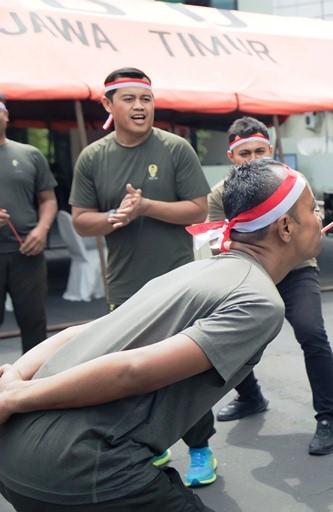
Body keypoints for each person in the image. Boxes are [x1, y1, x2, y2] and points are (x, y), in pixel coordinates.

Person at [0, 160, 323, 511]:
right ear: (286, 227)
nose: (320, 215)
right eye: (312, 208)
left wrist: (15, 377)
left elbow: (80, 332)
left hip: (14, 451)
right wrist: (16, 396)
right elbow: (133, 370)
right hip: (81, 468)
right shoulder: (259, 302)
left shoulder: (196, 270)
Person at [69, 68, 214, 485]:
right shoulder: (93, 157)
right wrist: (115, 218)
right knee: (129, 370)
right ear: (108, 105)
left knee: (186, 370)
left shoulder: (175, 149)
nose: (139, 107)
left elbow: (198, 209)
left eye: (145, 99)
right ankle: (149, 446)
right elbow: (81, 221)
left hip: (177, 283)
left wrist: (147, 206)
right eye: (129, 99)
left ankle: (201, 449)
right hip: (125, 284)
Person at [208, 117, 333, 455]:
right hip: (250, 273)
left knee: (312, 334)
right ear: (231, 156)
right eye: (244, 153)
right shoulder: (220, 195)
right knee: (232, 339)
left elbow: (311, 227)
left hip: (296, 269)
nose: (253, 159)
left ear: (271, 150)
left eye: (259, 151)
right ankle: (250, 396)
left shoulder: (293, 185)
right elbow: (213, 240)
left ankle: (328, 419)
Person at [0, 92, 58, 353]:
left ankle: (34, 384)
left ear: (6, 116)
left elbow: (48, 200)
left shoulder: (29, 154)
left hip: (27, 252)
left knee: (34, 323)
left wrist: (42, 229)